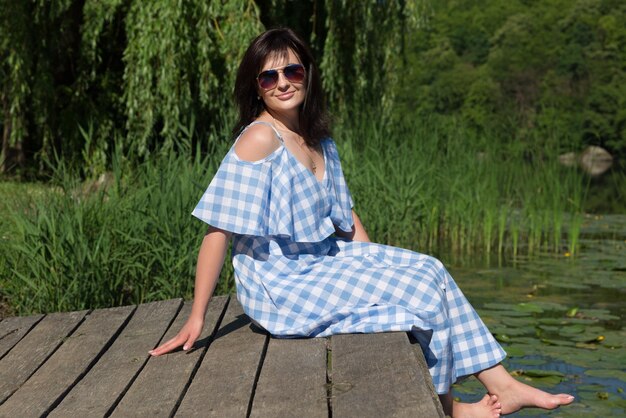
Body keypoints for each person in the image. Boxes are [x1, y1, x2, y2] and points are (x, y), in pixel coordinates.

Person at [149, 27, 574, 417]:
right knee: (415, 291)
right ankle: (450, 409)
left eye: (292, 70)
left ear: (307, 75)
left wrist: (376, 263)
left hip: (321, 264)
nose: (282, 83)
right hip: (281, 285)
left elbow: (346, 219)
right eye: (268, 77)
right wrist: (197, 316)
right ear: (256, 88)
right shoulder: (259, 139)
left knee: (429, 268)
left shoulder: (320, 141)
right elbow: (218, 229)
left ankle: (501, 383)